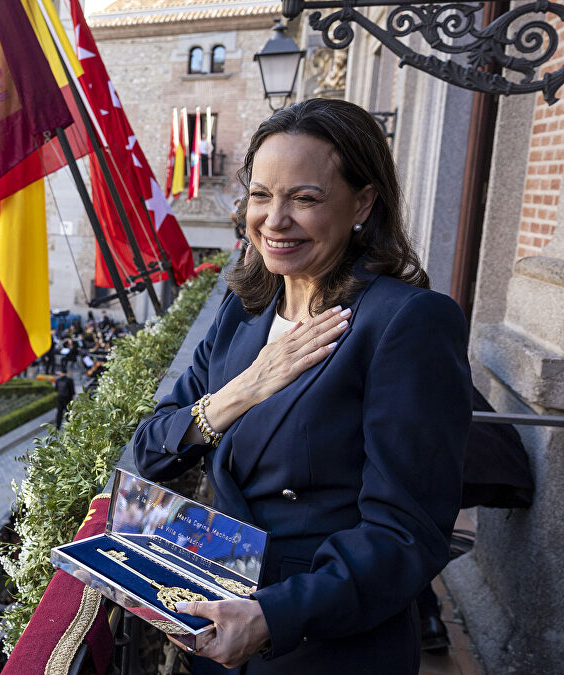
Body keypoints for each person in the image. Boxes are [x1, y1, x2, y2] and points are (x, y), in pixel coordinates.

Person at [129, 98, 471, 672]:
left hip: (319, 641)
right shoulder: (243, 308)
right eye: (261, 195)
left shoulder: (406, 321)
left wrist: (273, 617)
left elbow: (405, 534)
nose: (274, 219)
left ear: (363, 203)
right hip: (216, 614)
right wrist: (247, 387)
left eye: (305, 198)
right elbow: (149, 448)